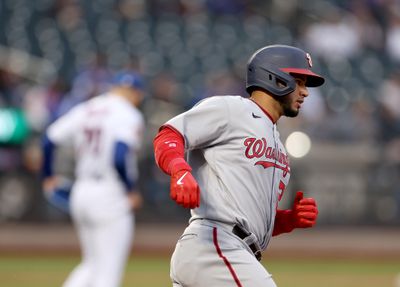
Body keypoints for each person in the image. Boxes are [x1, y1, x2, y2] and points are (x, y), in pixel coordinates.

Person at [153, 44, 324, 287]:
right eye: (300, 81)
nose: (305, 92)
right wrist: (180, 170)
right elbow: (169, 135)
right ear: (276, 78)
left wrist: (287, 220)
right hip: (214, 246)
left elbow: (247, 216)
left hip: (227, 251)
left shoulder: (277, 142)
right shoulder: (232, 109)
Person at [42, 71, 145, 287]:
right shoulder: (128, 114)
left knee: (91, 264)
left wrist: (48, 175)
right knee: (109, 270)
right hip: (110, 191)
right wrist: (130, 189)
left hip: (82, 190)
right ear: (135, 93)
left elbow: (49, 140)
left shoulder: (87, 107)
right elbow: (119, 154)